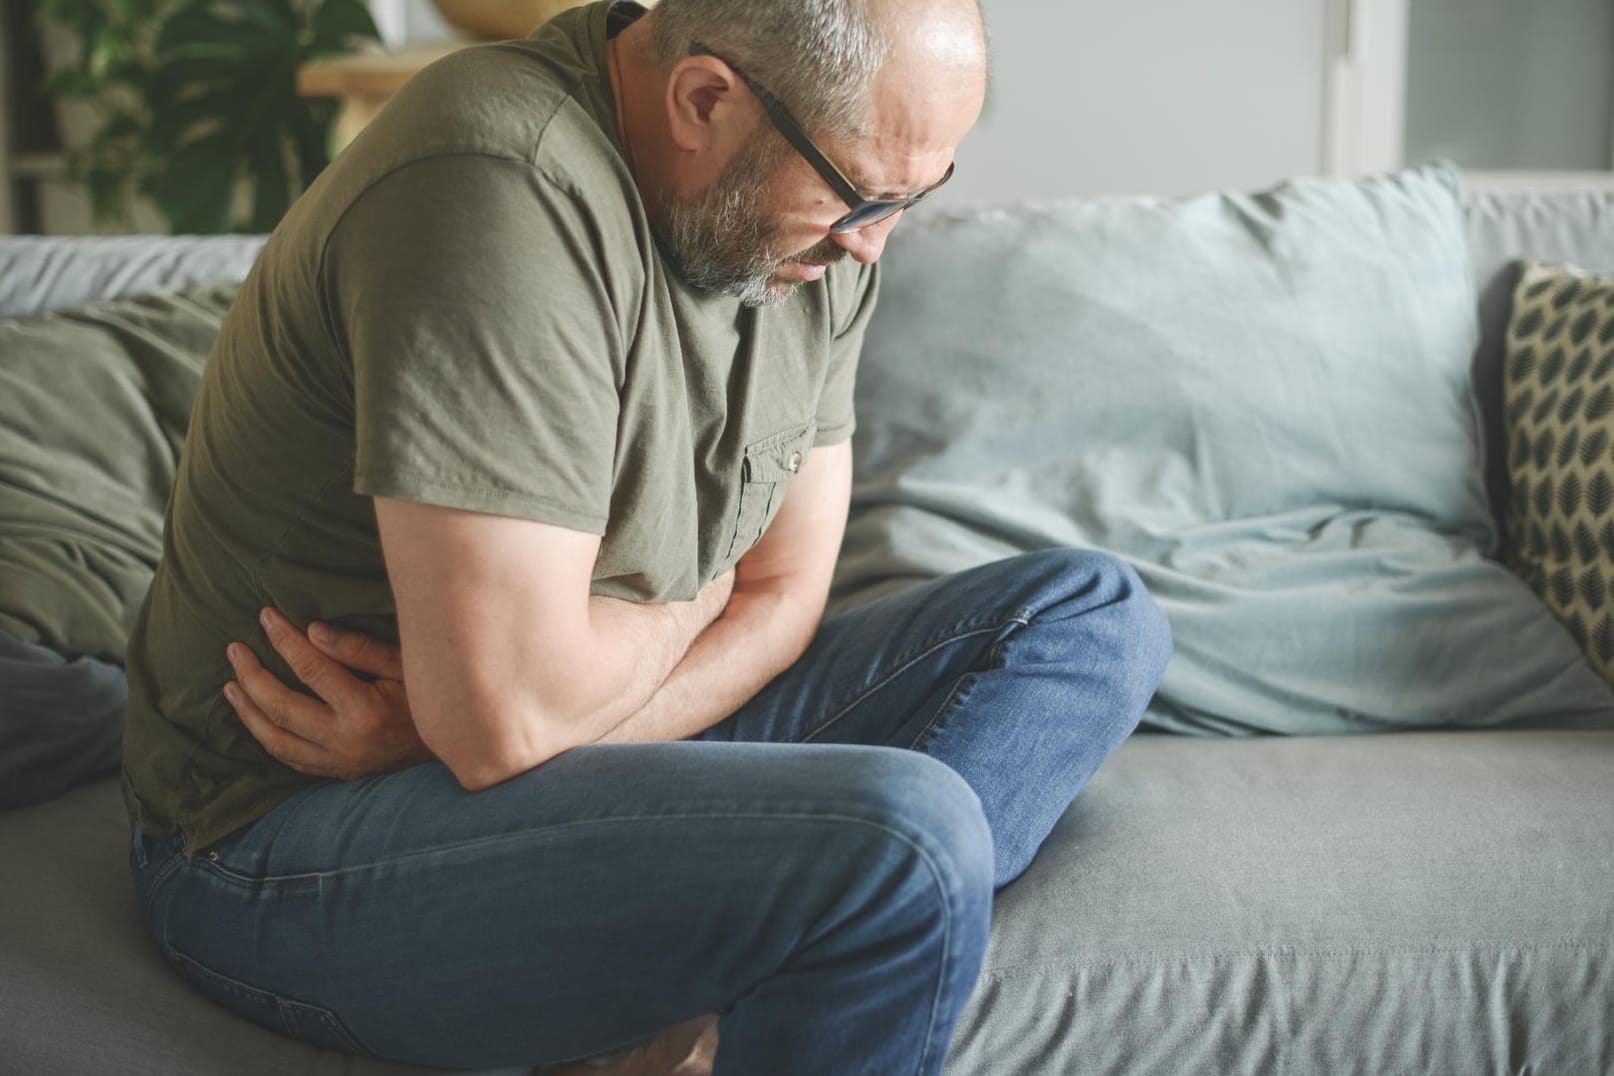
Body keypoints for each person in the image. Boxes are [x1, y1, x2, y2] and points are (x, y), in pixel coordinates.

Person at [120, 0, 1173, 1072]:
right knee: (907, 837)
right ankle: (802, 932)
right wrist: (686, 608)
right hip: (289, 837)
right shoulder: (496, 181)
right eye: (859, 191)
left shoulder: (824, 232)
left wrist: (473, 729)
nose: (874, 242)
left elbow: (786, 597)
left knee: (1090, 616)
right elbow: (513, 710)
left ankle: (735, 984)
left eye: (918, 191)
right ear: (704, 98)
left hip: (476, 749)